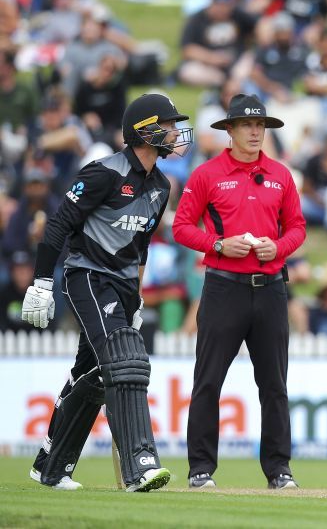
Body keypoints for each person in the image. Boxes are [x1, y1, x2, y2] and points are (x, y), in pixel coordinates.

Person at [21, 92, 193, 491]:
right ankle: (141, 466)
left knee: (93, 374)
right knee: (126, 359)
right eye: (167, 125)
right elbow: (59, 224)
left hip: (122, 284)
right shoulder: (103, 173)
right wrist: (42, 281)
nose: (174, 132)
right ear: (145, 131)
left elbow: (141, 247)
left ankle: (51, 465)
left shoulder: (161, 186)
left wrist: (137, 298)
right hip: (87, 276)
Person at [172, 94, 306, 490]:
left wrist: (276, 248)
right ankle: (200, 470)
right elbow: (182, 226)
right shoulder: (207, 174)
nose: (254, 132)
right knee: (208, 380)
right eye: (247, 125)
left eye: (260, 125)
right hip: (222, 289)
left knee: (275, 385)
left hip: (270, 291)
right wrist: (218, 245)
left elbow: (297, 228)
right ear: (229, 130)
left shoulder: (281, 174)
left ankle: (279, 470)